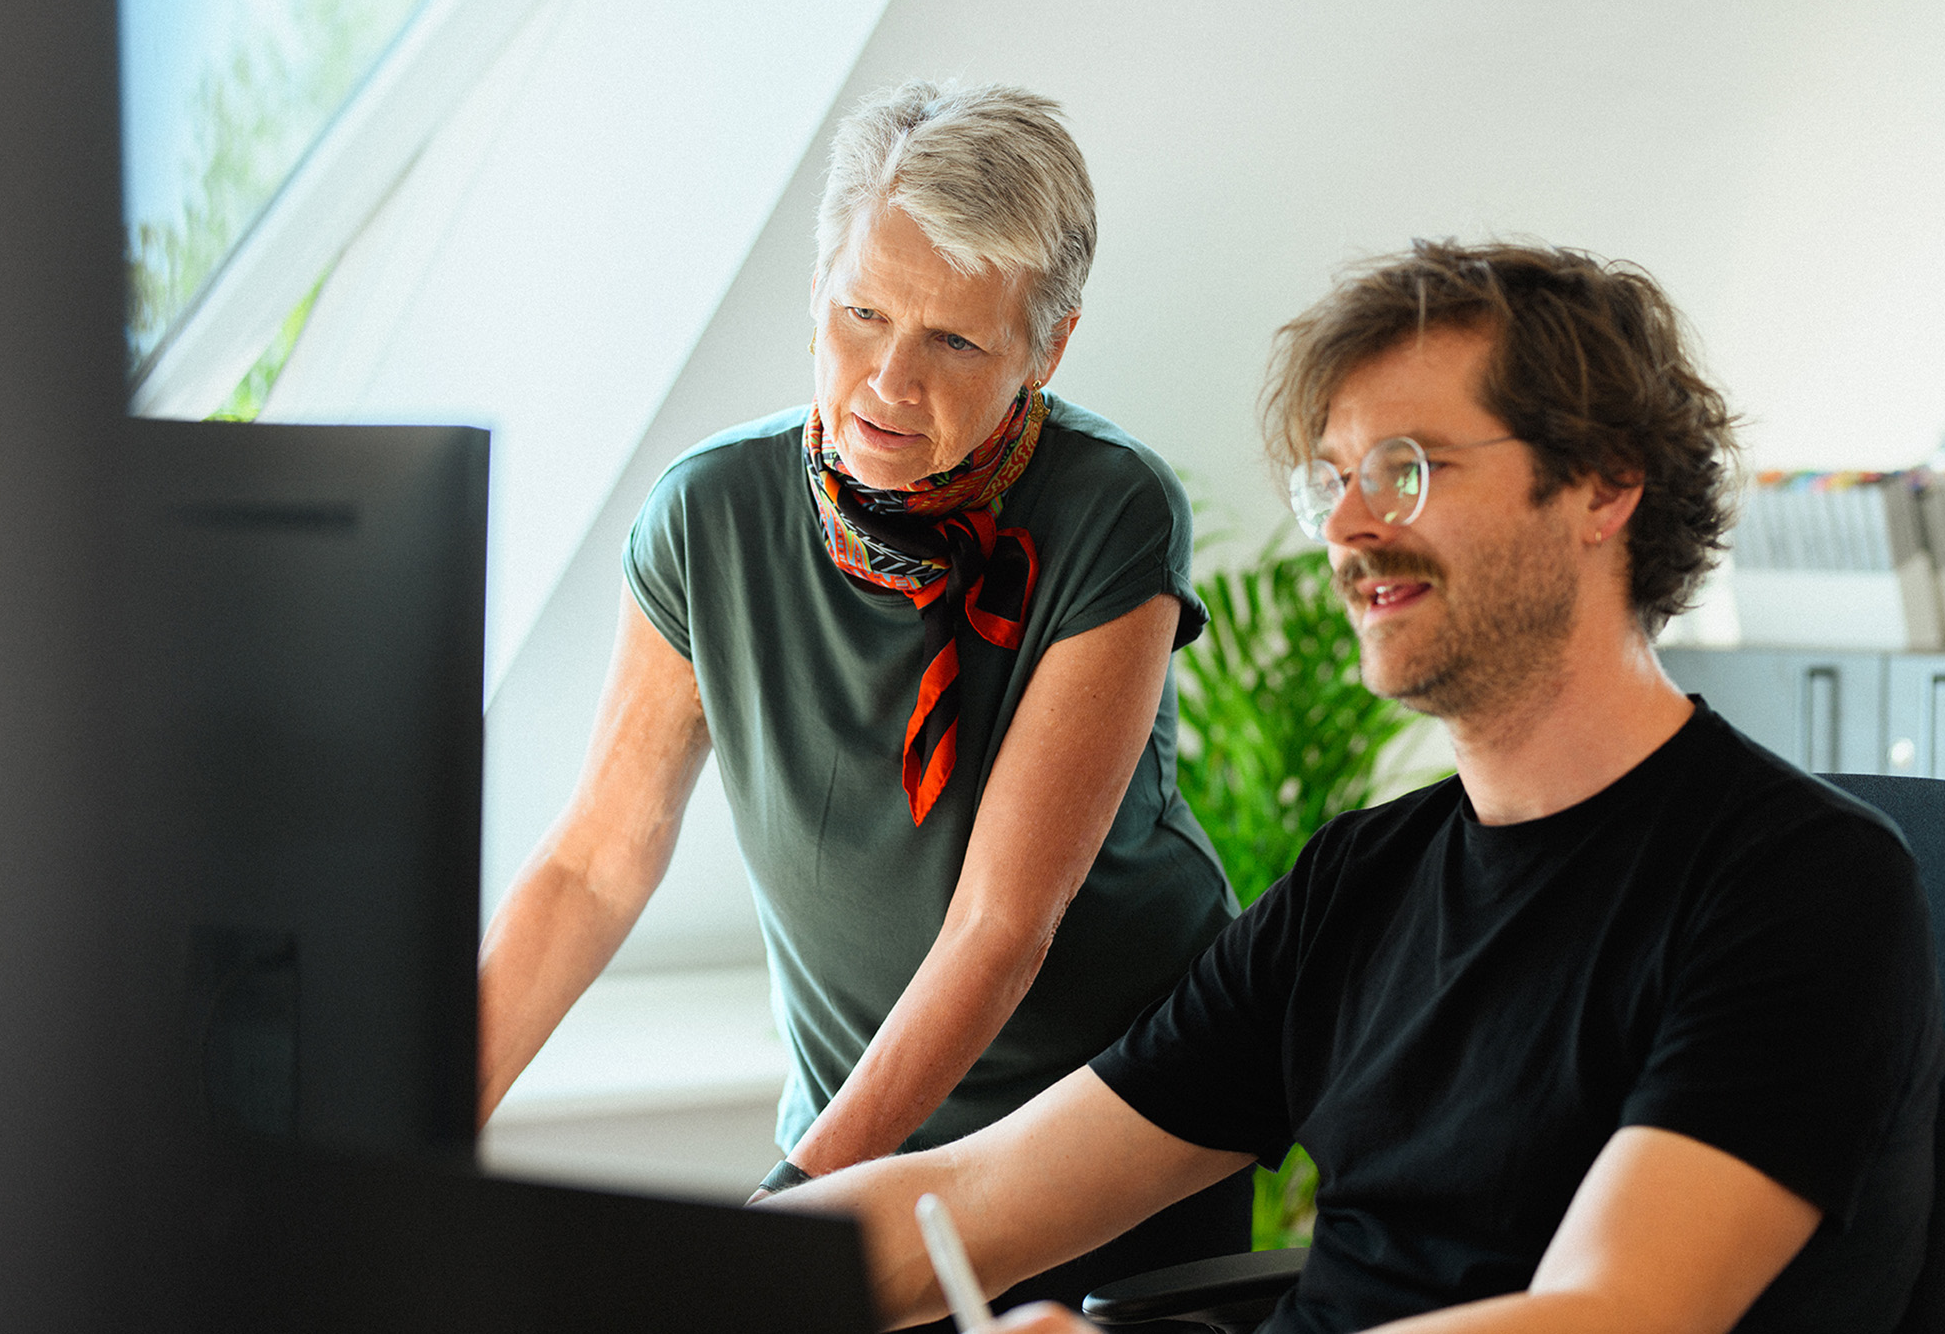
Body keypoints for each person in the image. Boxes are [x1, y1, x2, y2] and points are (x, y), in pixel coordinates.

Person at [766, 240, 1945, 1334]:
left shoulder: (1802, 886)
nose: (1350, 529)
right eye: (1331, 482)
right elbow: (976, 1194)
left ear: (1602, 484)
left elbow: (1613, 1312)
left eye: (1406, 469)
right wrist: (674, 1281)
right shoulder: (1362, 882)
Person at [475, 79, 1245, 1309]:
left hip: (1109, 1133)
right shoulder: (708, 515)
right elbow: (595, 865)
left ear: (1045, 348)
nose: (889, 379)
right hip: (849, 1112)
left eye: (953, 340)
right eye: (861, 313)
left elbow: (1002, 925)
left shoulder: (1113, 512)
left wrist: (790, 1206)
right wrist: (400, 1136)